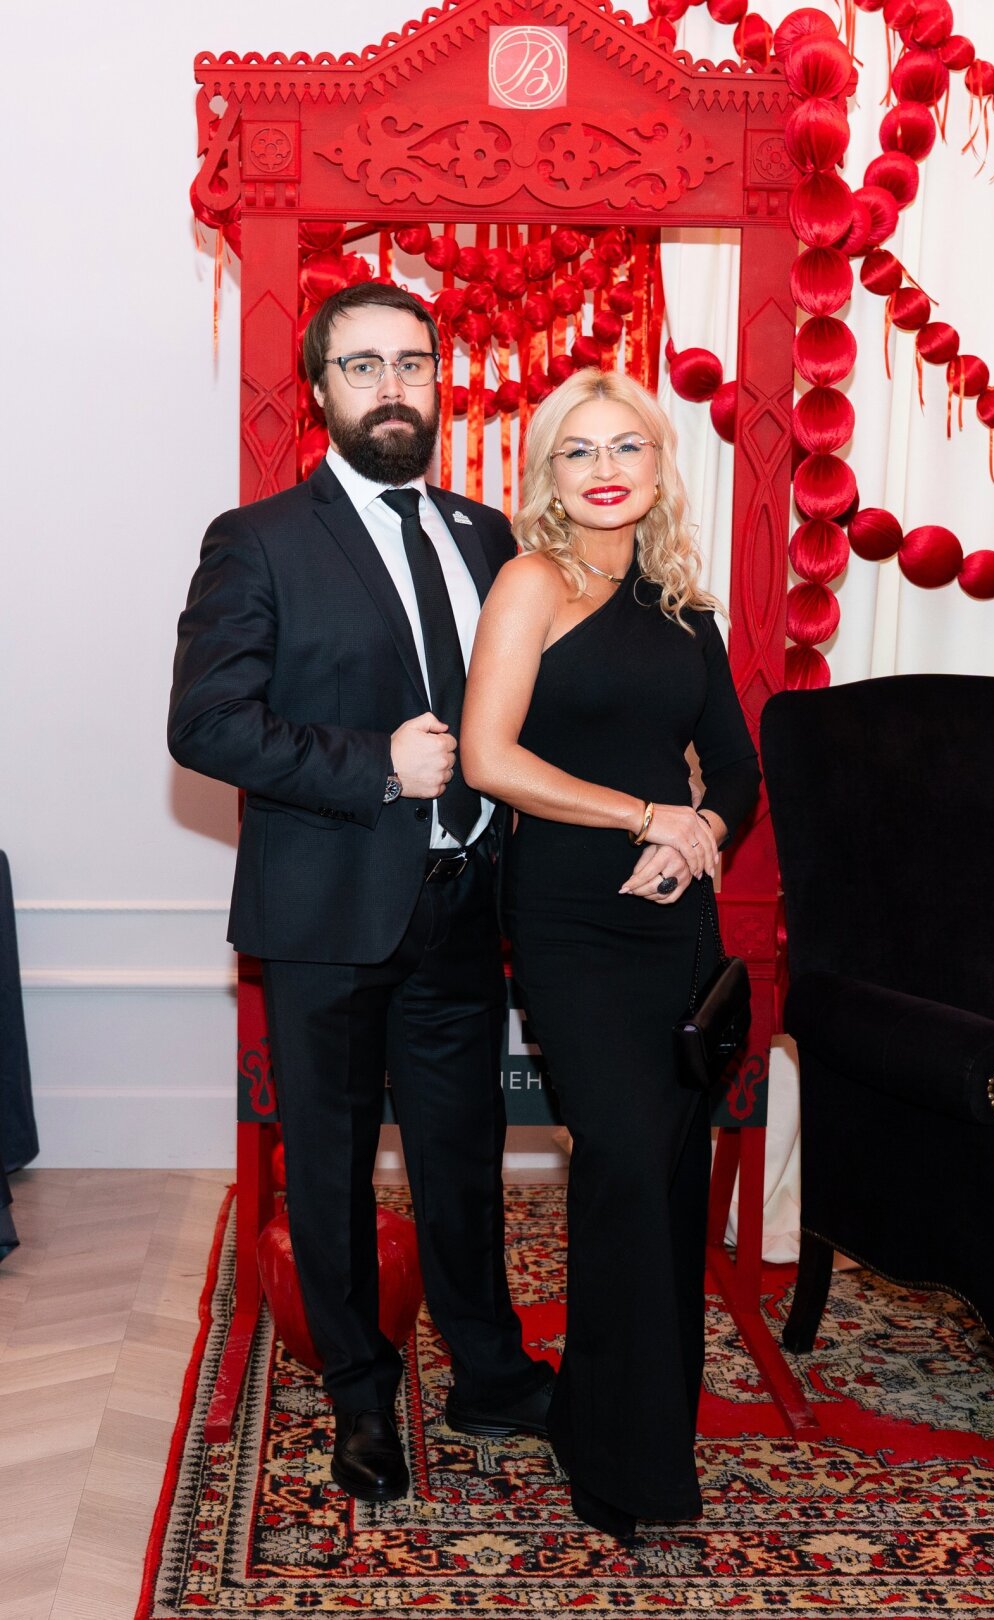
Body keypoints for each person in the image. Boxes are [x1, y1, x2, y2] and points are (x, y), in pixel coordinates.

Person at [168, 283, 553, 1507]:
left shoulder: (490, 536)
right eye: (363, 365)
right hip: (326, 913)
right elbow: (206, 724)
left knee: (463, 1157)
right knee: (330, 1171)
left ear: (441, 380)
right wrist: (375, 766)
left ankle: (490, 1375)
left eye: (413, 362)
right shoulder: (259, 539)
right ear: (322, 391)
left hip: (465, 906)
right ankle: (360, 1394)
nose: (393, 387)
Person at [460, 368, 760, 1545]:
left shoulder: (683, 605)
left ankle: (630, 1435)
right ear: (550, 473)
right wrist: (648, 819)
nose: (603, 469)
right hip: (571, 919)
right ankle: (616, 1465)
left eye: (625, 445)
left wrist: (697, 837)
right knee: (625, 1162)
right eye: (577, 450)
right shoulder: (531, 582)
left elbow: (734, 768)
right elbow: (489, 757)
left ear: (657, 464)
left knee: (671, 1175)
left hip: (676, 920)